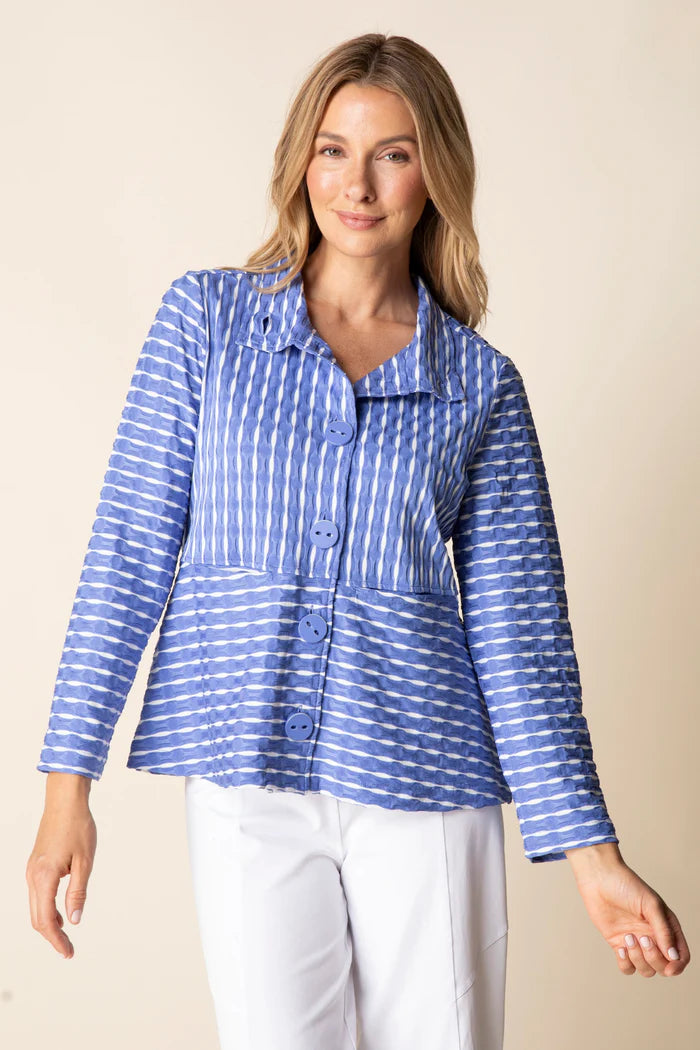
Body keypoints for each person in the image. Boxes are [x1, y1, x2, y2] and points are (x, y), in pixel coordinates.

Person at [26, 31, 689, 1050]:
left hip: (427, 784)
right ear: (302, 160)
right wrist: (66, 791)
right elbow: (127, 550)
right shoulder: (207, 325)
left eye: (394, 153)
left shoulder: (480, 387)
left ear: (436, 174)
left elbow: (520, 639)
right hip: (245, 772)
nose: (358, 184)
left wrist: (592, 858)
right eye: (334, 149)